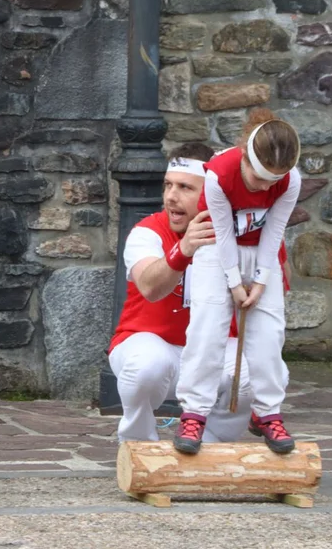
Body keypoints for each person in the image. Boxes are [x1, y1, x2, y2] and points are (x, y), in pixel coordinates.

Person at [175, 109, 301, 455]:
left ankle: (267, 412)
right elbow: (222, 233)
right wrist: (234, 283)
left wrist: (260, 281)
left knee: (270, 333)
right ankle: (194, 413)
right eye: (259, 177)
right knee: (207, 329)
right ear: (244, 155)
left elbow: (274, 231)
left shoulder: (290, 180)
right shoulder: (218, 173)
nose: (265, 187)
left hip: (261, 251)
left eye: (273, 180)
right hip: (217, 249)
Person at [108, 142, 253, 444]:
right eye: (168, 185)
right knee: (147, 365)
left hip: (212, 349)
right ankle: (137, 444)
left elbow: (274, 285)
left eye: (185, 187)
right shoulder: (146, 231)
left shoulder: (236, 231)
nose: (171, 196)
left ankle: (210, 445)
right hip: (150, 343)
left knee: (252, 374)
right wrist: (183, 249)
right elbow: (150, 288)